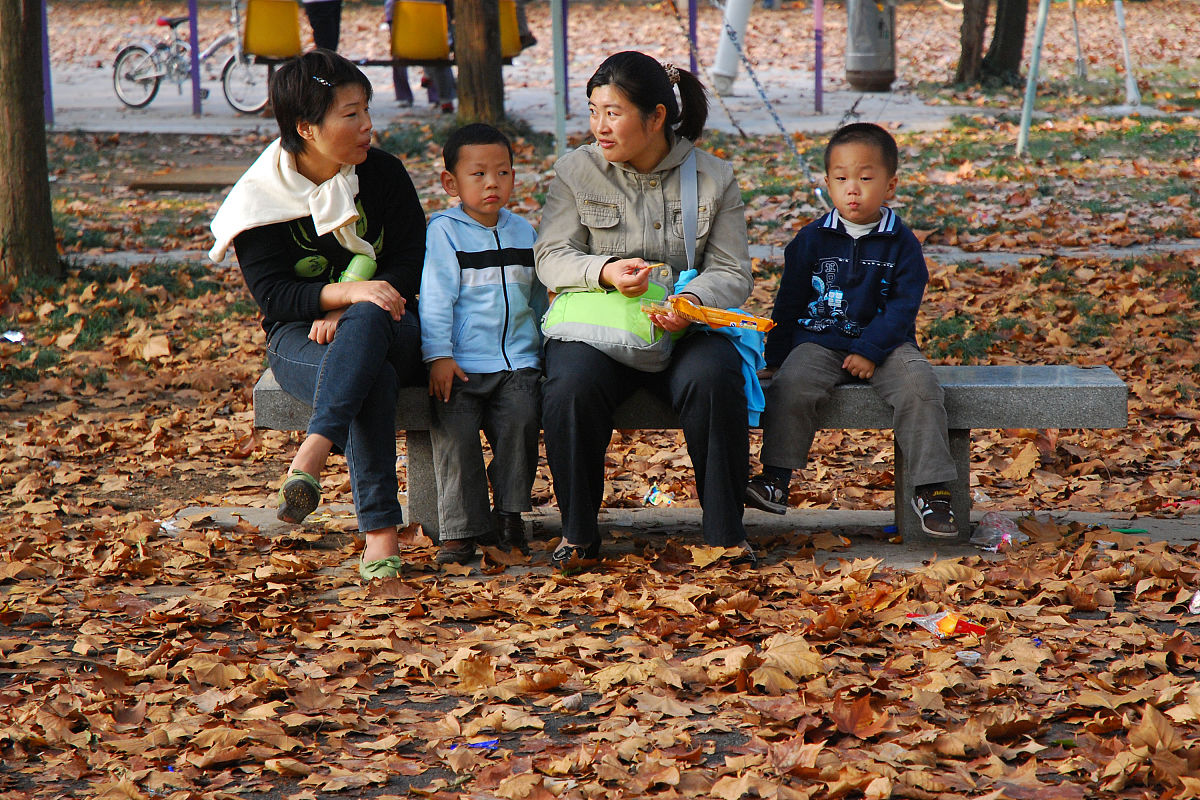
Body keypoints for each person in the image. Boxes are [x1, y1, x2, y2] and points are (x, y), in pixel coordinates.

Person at [209, 49, 427, 580]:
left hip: (391, 320)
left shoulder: (383, 176)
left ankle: (314, 449)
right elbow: (276, 298)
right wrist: (340, 297)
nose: (367, 125)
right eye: (350, 114)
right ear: (307, 128)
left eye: (366, 109)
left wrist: (354, 301)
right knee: (369, 372)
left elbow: (410, 262)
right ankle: (380, 538)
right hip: (298, 338)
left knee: (371, 318)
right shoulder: (260, 199)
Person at [534, 50, 756, 570]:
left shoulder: (714, 178)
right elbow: (550, 256)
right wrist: (605, 271)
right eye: (593, 111)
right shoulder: (575, 172)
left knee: (715, 377)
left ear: (656, 117)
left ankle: (725, 535)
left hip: (685, 331)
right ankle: (579, 534)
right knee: (568, 386)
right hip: (600, 326)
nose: (599, 127)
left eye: (613, 112)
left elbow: (732, 270)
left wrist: (692, 302)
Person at [745, 122, 959, 537]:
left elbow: (902, 307)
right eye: (841, 179)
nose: (853, 190)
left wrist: (871, 349)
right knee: (792, 385)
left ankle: (931, 490)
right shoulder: (812, 239)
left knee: (920, 388)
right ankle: (775, 479)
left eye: (865, 178)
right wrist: (776, 358)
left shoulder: (902, 243)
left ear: (890, 184)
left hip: (888, 344)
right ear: (827, 184)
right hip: (819, 340)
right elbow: (788, 302)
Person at [420, 123, 545, 564]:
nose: (493, 183)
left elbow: (537, 296)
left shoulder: (523, 231)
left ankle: (510, 514)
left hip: (516, 362)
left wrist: (543, 345)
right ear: (450, 183)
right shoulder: (445, 232)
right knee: (456, 440)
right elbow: (436, 298)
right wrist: (439, 355)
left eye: (503, 172)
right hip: (460, 366)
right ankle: (460, 530)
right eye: (478, 174)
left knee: (521, 425)